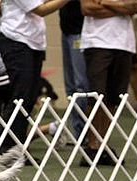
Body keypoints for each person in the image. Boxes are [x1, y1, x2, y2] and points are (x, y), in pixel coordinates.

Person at [0, 0, 69, 153]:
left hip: (31, 43)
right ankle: (8, 148)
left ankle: (18, 146)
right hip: (18, 42)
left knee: (28, 98)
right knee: (21, 96)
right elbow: (41, 9)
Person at [80, 0, 137, 166]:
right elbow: (87, 8)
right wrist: (122, 8)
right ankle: (92, 146)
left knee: (114, 98)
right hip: (96, 42)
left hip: (124, 44)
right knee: (96, 96)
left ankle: (103, 144)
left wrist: (105, 2)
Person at [59, 0, 88, 140]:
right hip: (66, 31)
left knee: (80, 85)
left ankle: (83, 132)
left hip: (79, 32)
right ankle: (78, 130)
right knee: (70, 86)